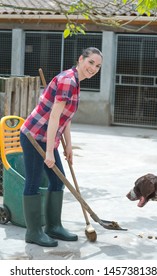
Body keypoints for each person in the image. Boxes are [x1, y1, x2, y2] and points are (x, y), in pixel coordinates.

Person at [20, 47, 103, 247]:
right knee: (33, 182)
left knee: (58, 182)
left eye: (98, 66)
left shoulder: (76, 82)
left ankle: (53, 227)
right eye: (90, 62)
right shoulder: (68, 81)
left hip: (46, 137)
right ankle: (33, 232)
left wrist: (68, 147)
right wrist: (49, 151)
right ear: (80, 59)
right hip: (34, 136)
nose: (93, 68)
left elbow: (66, 118)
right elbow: (54, 117)